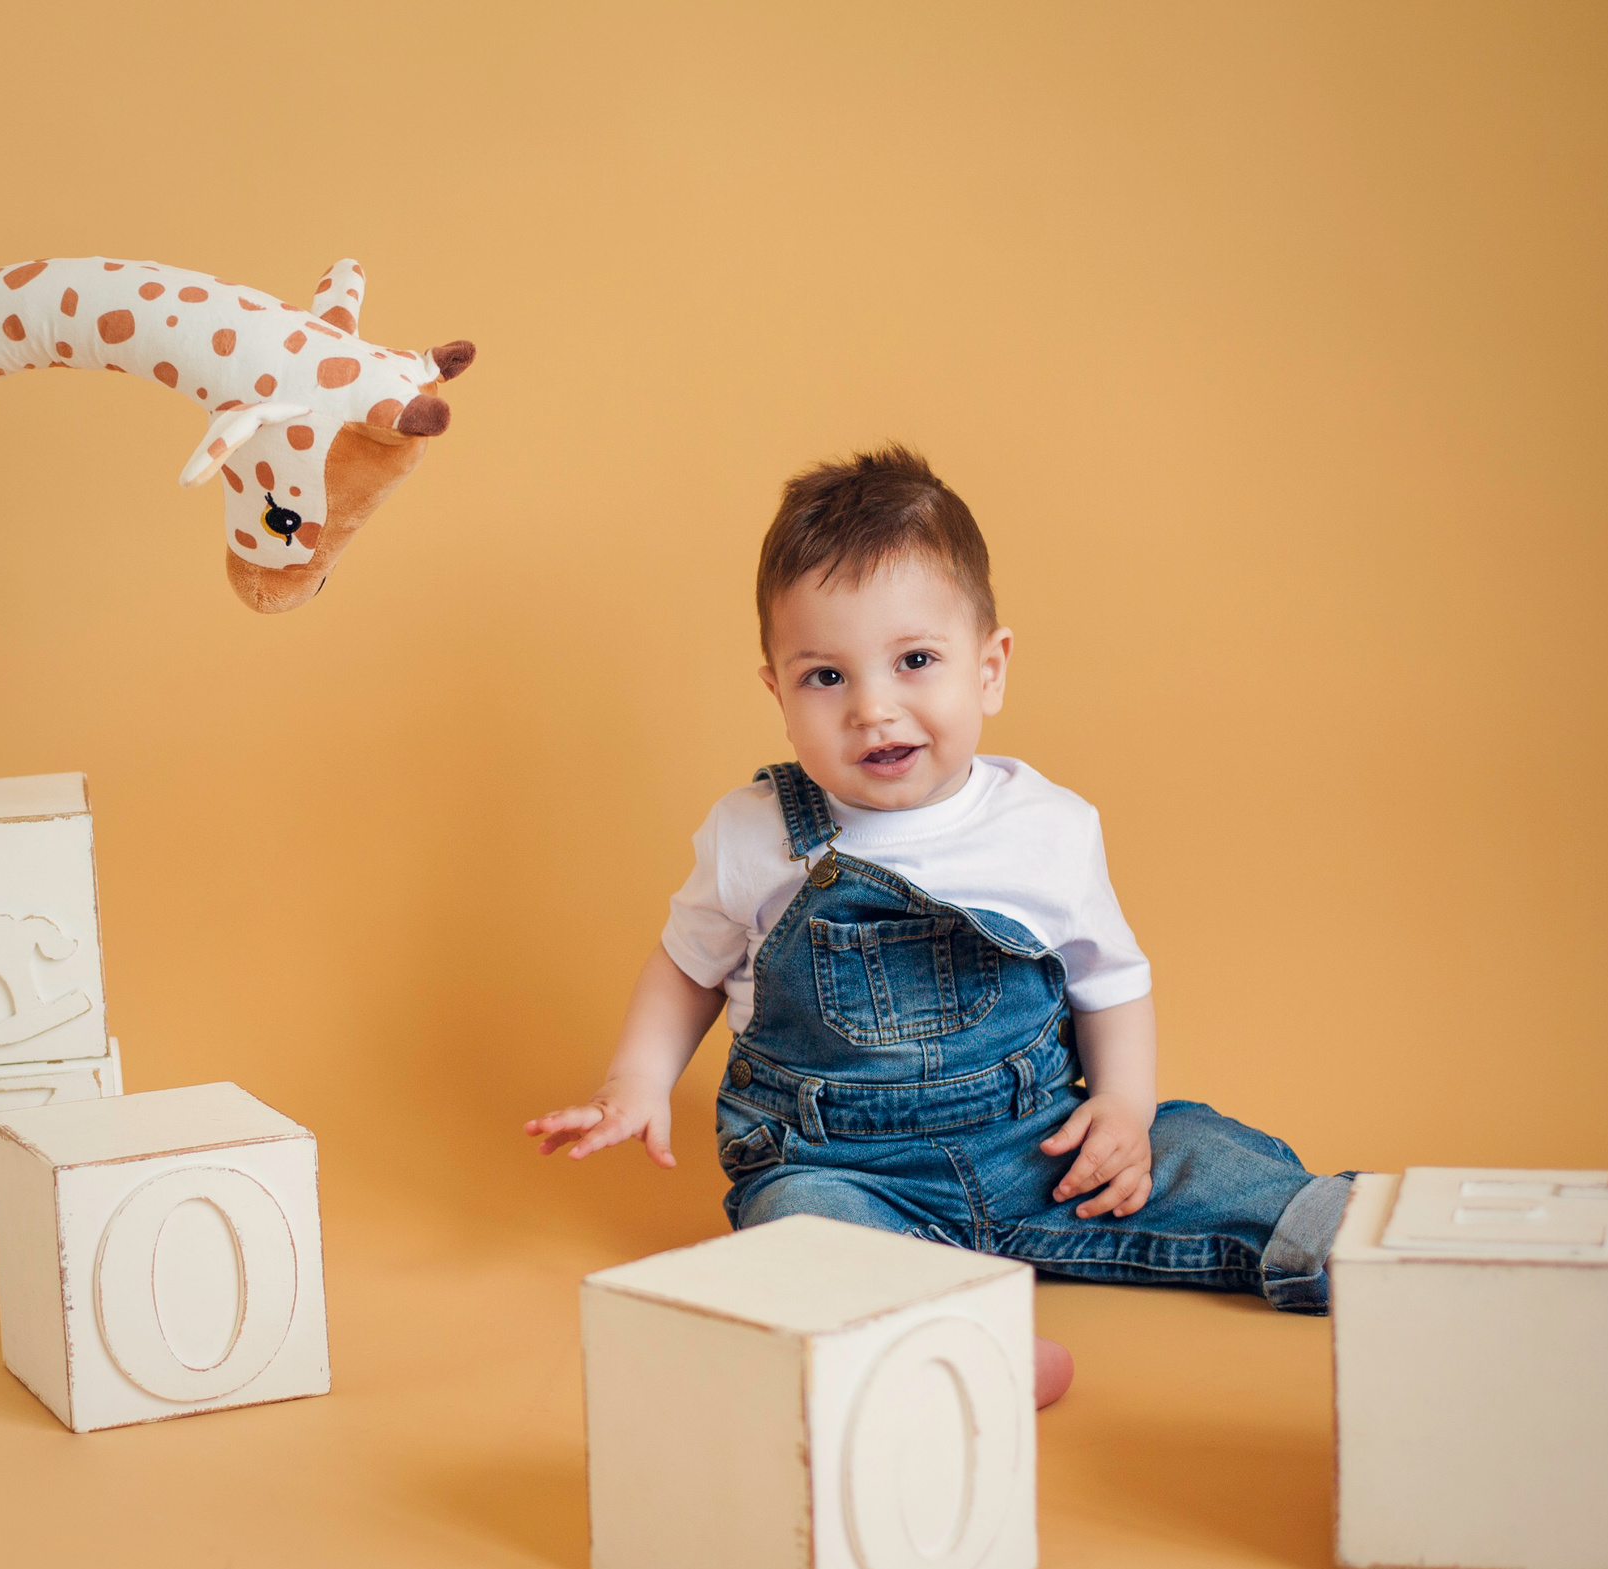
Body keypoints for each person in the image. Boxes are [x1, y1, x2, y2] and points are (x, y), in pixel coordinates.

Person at [524, 445, 1355, 1409]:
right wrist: (635, 1082)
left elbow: (1110, 980)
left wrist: (1122, 1111)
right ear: (777, 693)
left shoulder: (1045, 828)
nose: (875, 708)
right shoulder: (753, 835)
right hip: (841, 1168)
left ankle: (1357, 1238)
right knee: (798, 1234)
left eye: (916, 661)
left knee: (1203, 1159)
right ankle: (963, 1342)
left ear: (990, 668)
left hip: (1039, 1147)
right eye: (825, 676)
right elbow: (685, 968)